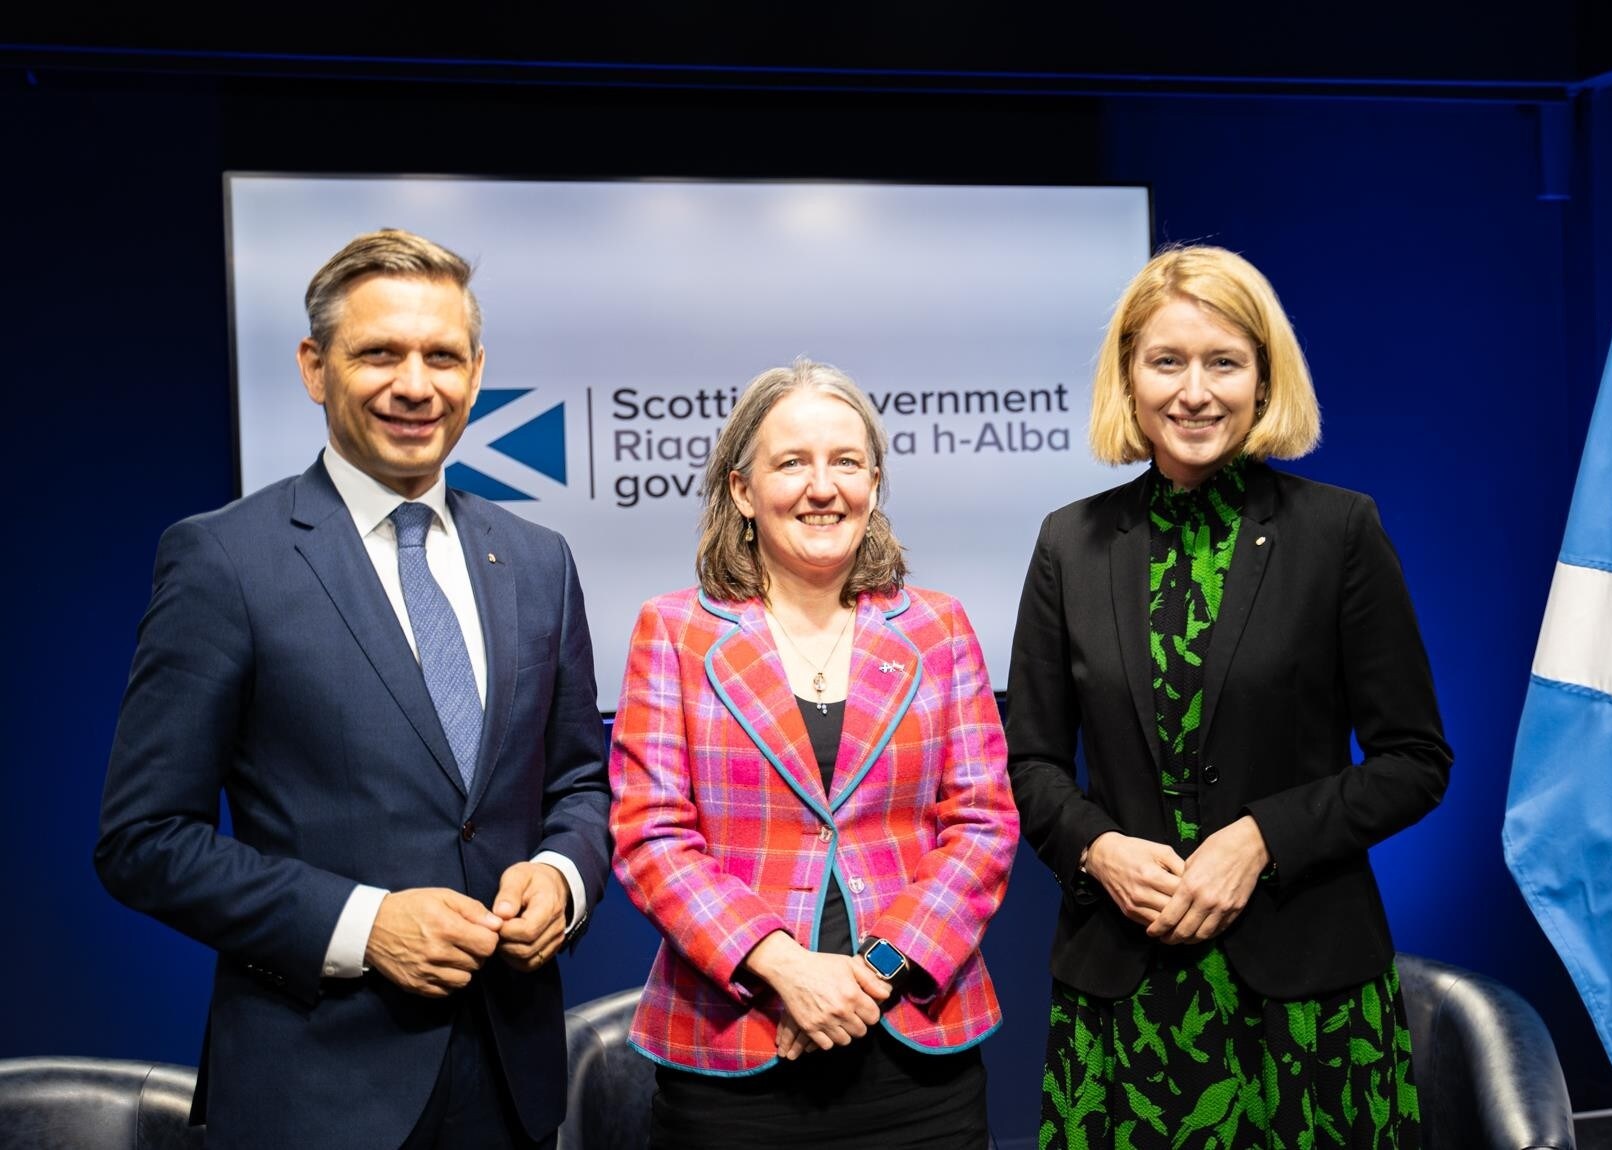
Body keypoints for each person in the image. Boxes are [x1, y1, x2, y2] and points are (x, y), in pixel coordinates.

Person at [95, 229, 612, 1150]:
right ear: (313, 366)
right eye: (379, 352)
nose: (416, 384)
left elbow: (579, 784)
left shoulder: (539, 561)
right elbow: (142, 840)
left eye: (442, 355)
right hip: (314, 1097)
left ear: (476, 370)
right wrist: (364, 925)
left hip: (515, 1086)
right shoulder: (225, 560)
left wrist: (564, 877)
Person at [1007, 245, 1452, 1148]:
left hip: (1310, 1001)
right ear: (1128, 376)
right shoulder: (1070, 544)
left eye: (1224, 362)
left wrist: (1261, 840)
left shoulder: (1340, 533)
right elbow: (1032, 762)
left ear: (1263, 378)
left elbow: (1415, 762)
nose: (1194, 392)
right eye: (1167, 362)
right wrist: (1097, 850)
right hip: (1123, 997)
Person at [609, 359, 1018, 1149]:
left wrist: (869, 976)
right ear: (741, 491)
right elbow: (651, 836)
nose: (821, 487)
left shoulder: (938, 628)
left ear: (874, 483)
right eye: (792, 462)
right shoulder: (675, 631)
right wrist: (789, 970)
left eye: (846, 462)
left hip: (913, 1053)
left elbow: (983, 823)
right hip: (735, 1053)